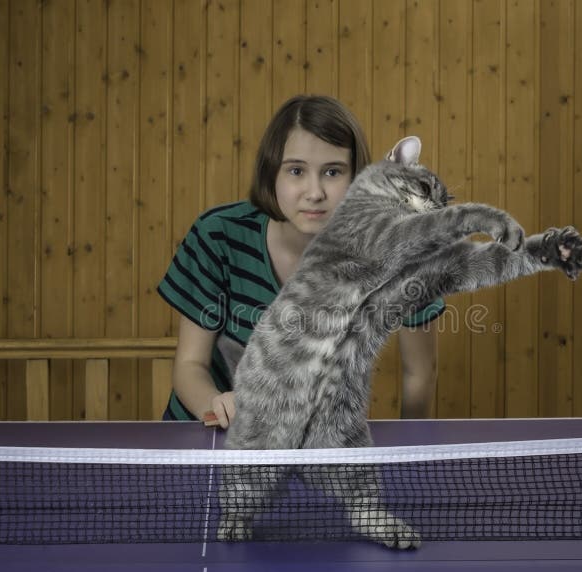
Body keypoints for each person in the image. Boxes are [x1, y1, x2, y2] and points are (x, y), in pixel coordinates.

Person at [157, 95, 444, 427]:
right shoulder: (217, 235)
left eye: (333, 172)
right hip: (208, 438)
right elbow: (189, 365)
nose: (314, 192)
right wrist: (216, 405)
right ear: (271, 174)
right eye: (296, 170)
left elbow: (420, 371)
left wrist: (410, 452)